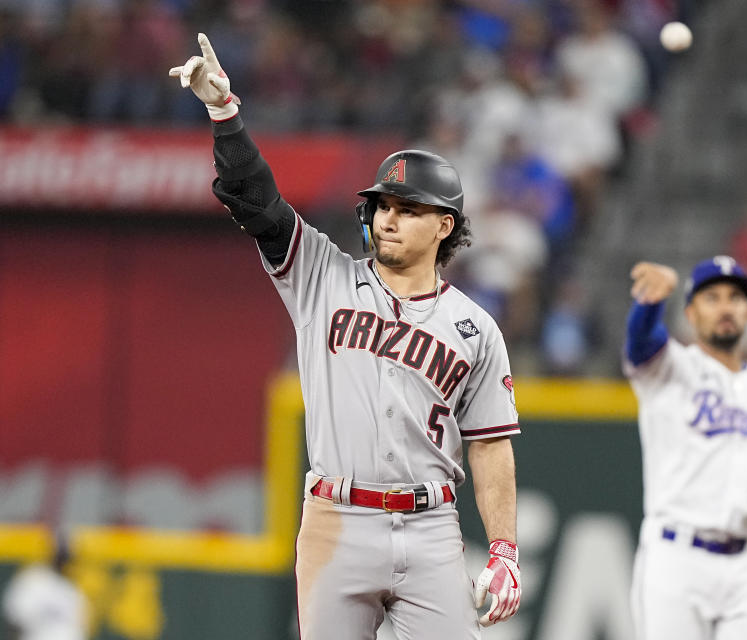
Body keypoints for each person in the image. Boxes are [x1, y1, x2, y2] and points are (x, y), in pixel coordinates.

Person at [169, 34, 521, 639]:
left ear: (445, 225)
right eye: (382, 204)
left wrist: (505, 550)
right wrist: (225, 115)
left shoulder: (475, 328)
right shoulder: (321, 275)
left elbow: (489, 444)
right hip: (336, 517)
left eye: (407, 208)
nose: (387, 216)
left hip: (431, 525)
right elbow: (258, 203)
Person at [622, 255, 747, 640]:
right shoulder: (670, 368)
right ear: (691, 312)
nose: (726, 306)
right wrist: (651, 302)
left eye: (735, 297)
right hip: (675, 559)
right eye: (712, 297)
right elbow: (642, 341)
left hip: (746, 566)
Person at [2, 534, 88, 640]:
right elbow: (13, 618)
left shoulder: (72, 589)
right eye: (61, 557)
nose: (64, 562)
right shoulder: (33, 580)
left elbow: (79, 627)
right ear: (52, 555)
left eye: (66, 558)